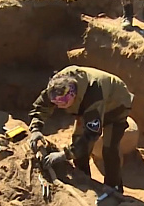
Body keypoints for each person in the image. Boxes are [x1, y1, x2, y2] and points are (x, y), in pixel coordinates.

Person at [28, 66, 134, 194]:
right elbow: (40, 106)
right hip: (85, 107)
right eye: (55, 102)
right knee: (78, 141)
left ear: (72, 93)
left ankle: (114, 187)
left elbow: (92, 134)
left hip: (116, 105)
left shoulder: (93, 93)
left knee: (109, 147)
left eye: (63, 101)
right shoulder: (56, 86)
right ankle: (83, 179)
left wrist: (65, 155)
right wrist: (36, 129)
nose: (59, 105)